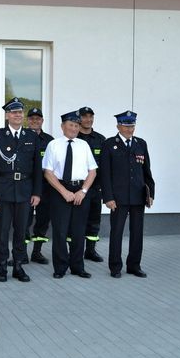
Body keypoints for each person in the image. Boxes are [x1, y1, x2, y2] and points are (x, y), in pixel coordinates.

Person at [0, 98, 42, 282]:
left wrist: (36, 192)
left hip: (25, 191)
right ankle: (2, 266)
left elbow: (37, 168)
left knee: (21, 231)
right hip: (3, 190)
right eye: (13, 112)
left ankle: (18, 265)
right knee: (2, 231)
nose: (17, 115)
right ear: (7, 115)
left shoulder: (31, 137)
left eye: (20, 112)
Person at [42, 110, 97, 279]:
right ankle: (60, 267)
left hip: (80, 190)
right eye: (71, 125)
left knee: (78, 231)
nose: (74, 128)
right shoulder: (54, 145)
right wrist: (64, 192)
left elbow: (92, 171)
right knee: (60, 230)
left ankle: (77, 267)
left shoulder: (84, 145)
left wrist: (83, 191)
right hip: (60, 190)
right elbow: (48, 172)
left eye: (76, 125)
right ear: (62, 126)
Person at [100, 111, 155, 278]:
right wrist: (108, 197)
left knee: (137, 233)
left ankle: (134, 265)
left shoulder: (141, 144)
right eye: (126, 126)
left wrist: (150, 193)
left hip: (138, 196)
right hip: (118, 198)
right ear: (118, 126)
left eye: (132, 126)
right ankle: (115, 267)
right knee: (116, 232)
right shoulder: (109, 144)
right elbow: (105, 174)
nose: (130, 129)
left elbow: (147, 172)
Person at [25, 107, 53, 265]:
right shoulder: (22, 136)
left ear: (42, 121)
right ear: (27, 120)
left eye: (38, 118)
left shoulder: (49, 140)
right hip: (26, 186)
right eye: (32, 118)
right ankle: (21, 253)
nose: (35, 121)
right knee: (23, 221)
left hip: (46, 187)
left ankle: (37, 252)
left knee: (43, 221)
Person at [78, 106, 106, 262]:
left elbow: (106, 166)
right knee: (76, 220)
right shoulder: (74, 137)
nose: (88, 119)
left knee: (94, 221)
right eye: (85, 116)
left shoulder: (101, 139)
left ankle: (90, 250)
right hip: (78, 188)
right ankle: (74, 251)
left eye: (90, 116)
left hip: (95, 188)